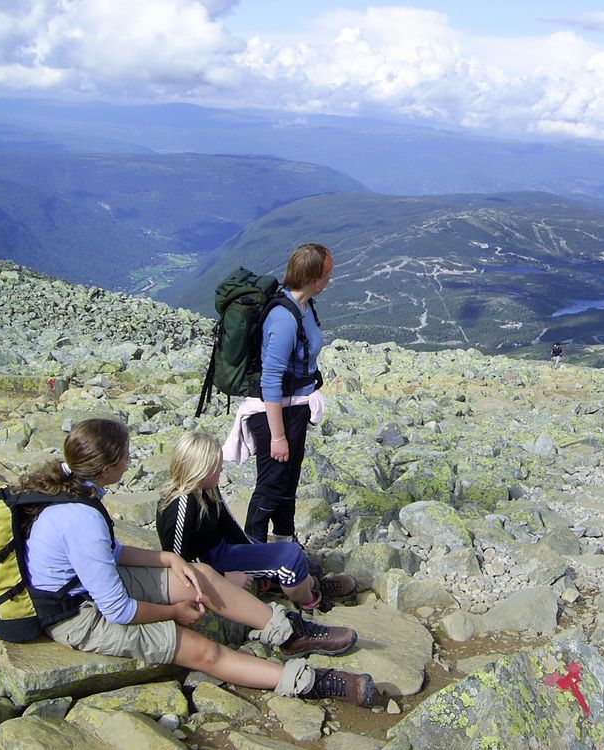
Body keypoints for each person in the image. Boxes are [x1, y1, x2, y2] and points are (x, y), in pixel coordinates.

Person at [21, 418, 375, 706]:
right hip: (76, 613)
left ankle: (290, 632)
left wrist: (169, 561)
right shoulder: (81, 518)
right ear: (108, 467)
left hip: (87, 585)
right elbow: (118, 610)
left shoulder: (78, 490)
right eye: (126, 457)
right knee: (203, 651)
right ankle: (306, 682)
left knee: (199, 572)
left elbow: (110, 554)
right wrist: (176, 613)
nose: (131, 462)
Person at [158, 432, 357, 612]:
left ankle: (312, 583)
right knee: (291, 556)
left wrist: (257, 560)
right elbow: (177, 562)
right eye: (215, 466)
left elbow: (229, 525)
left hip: (222, 548)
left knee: (285, 552)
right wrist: (223, 577)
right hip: (210, 562)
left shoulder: (207, 488)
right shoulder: (181, 505)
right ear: (199, 470)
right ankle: (311, 601)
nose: (221, 468)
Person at [244, 243, 333, 544]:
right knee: (271, 483)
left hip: (296, 407)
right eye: (326, 274)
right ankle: (252, 553)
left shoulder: (304, 305)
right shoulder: (284, 319)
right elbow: (271, 379)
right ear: (313, 278)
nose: (329, 279)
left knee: (287, 480)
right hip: (276, 411)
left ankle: (284, 543)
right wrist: (278, 436)